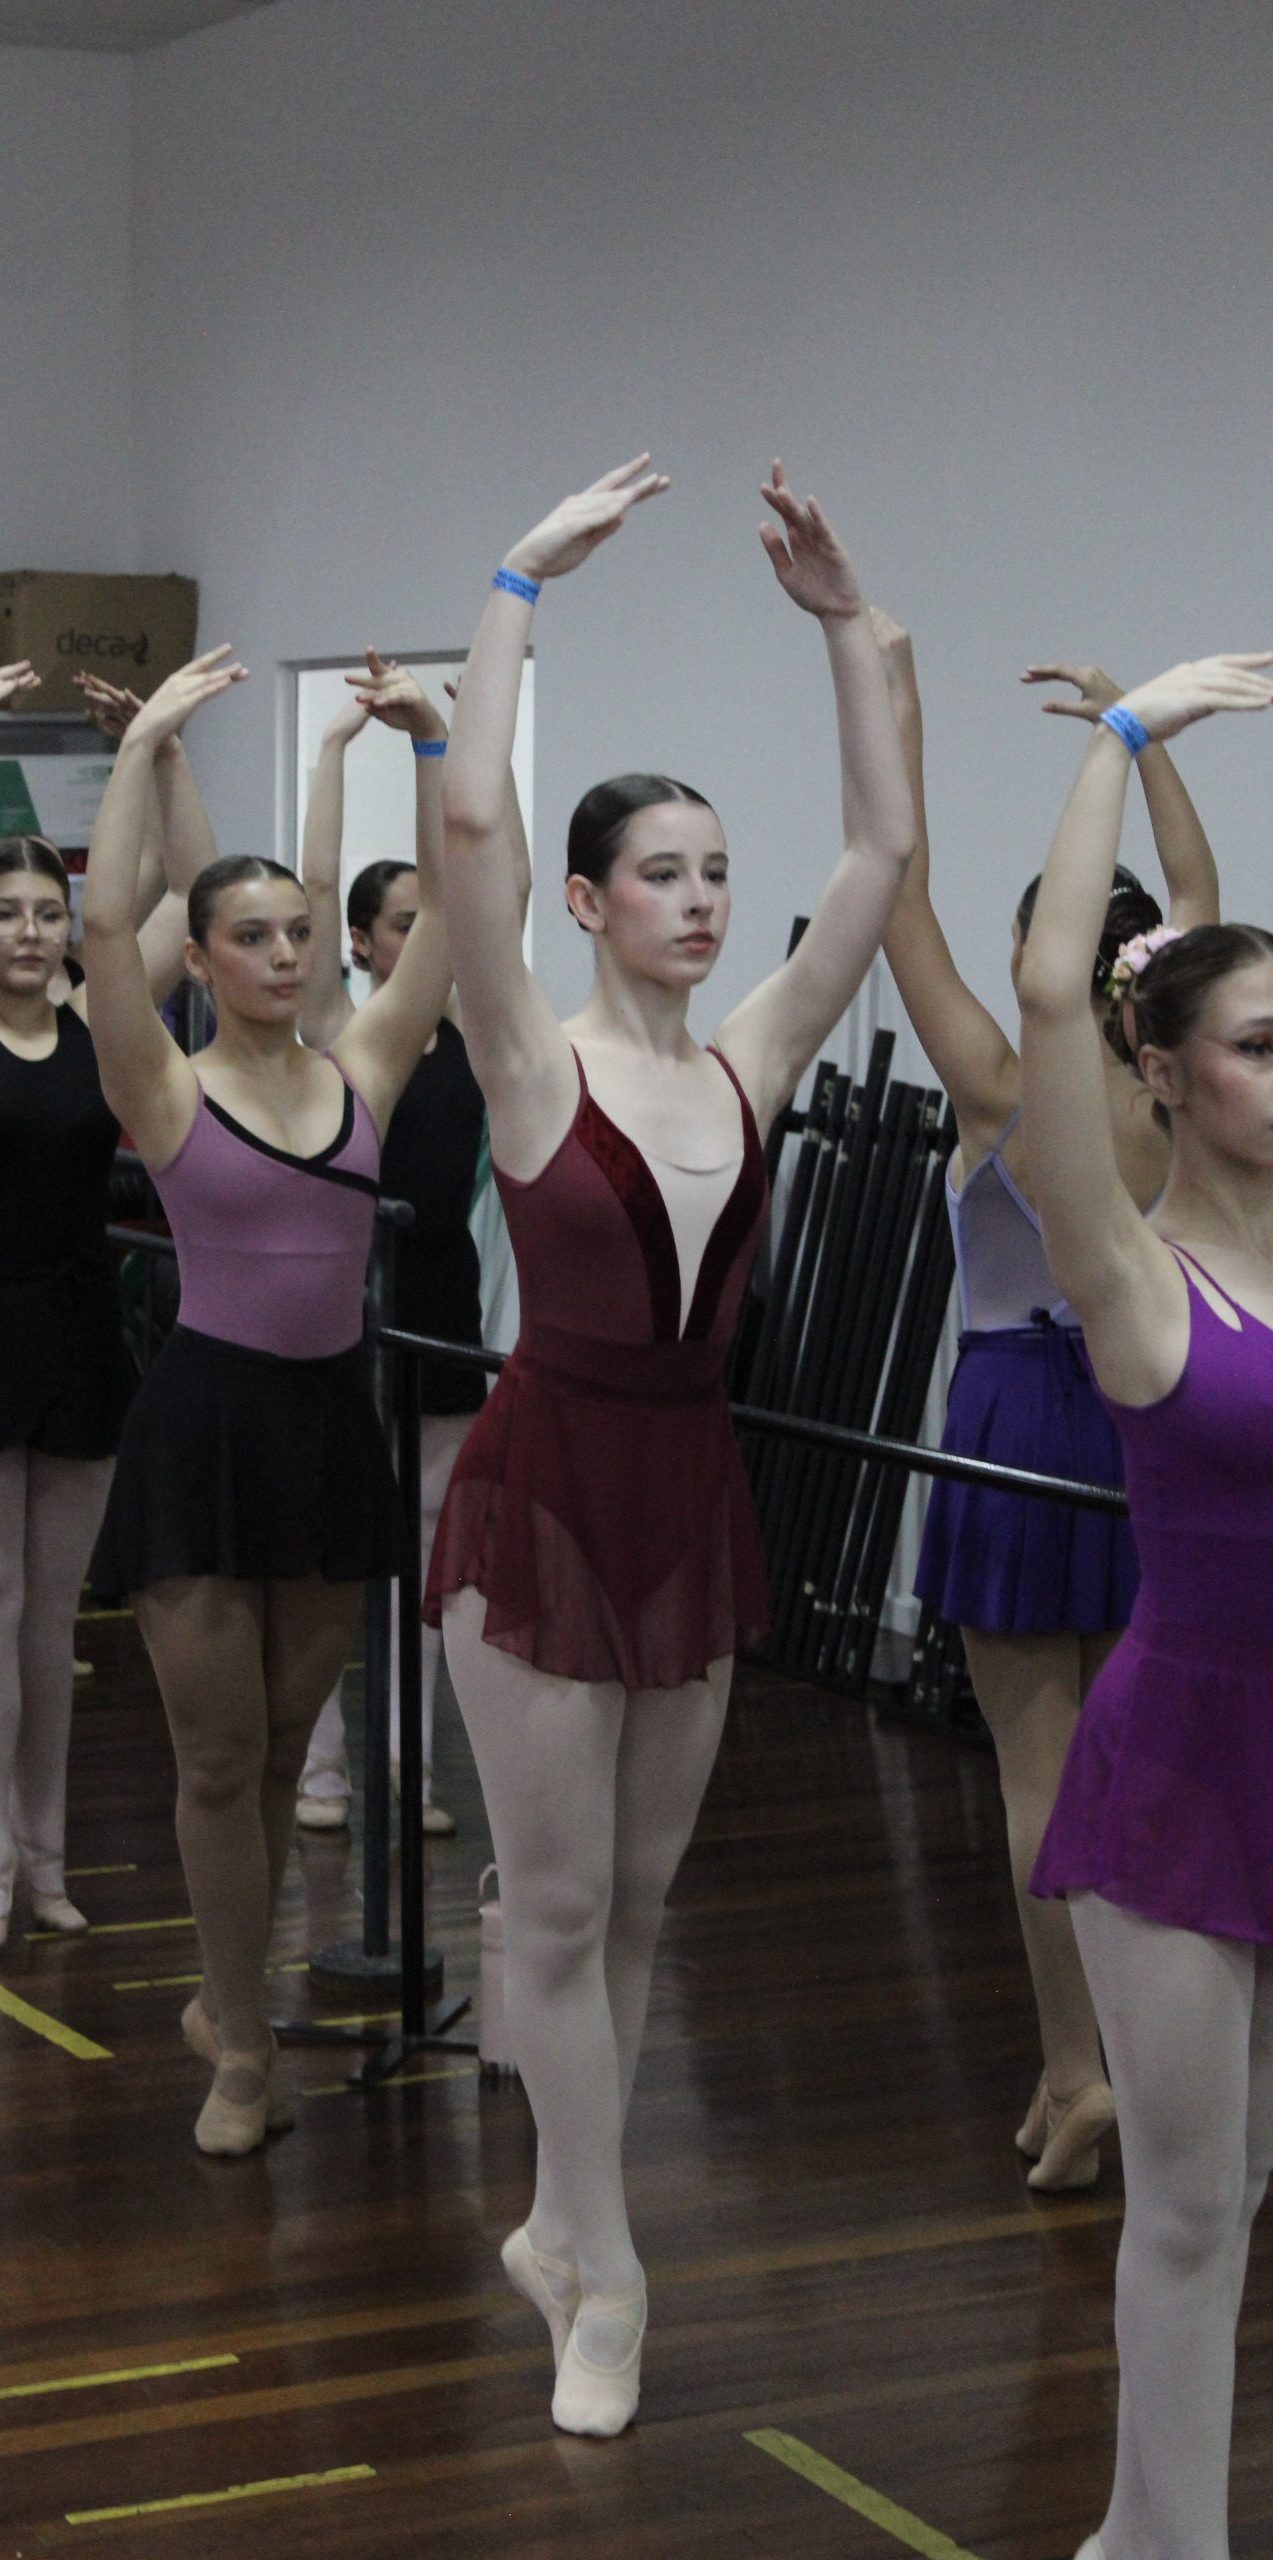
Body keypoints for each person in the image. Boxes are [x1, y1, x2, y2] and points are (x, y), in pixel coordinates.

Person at [427, 456, 915, 2435]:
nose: (701, 899)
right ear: (584, 899)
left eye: (715, 870)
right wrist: (515, 583)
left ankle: (562, 2223)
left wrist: (845, 625)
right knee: (549, 1910)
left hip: (687, 1486)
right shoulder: (525, 1057)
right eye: (661, 871)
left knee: (632, 1911)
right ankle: (610, 2273)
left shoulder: (752, 1053)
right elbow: (469, 816)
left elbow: (879, 854)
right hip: (542, 1486)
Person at [82, 644, 456, 2155]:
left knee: (289, 1749)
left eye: (301, 932)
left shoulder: (365, 1065)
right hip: (203, 1426)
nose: (286, 955)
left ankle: (227, 1992)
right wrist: (146, 751)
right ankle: (241, 2046)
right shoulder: (163, 1084)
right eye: (252, 937)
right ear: (204, 955)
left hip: (323, 1428)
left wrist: (431, 745)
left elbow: (454, 911)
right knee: (220, 1759)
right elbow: (100, 929)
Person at [875, 625, 1221, 2192]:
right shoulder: (1166, 1087)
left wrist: (889, 708)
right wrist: (1139, 742)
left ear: (1043, 953)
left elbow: (895, 898)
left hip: (1016, 1411)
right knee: (1136, 1759)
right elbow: (1195, 898)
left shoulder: (1003, 1081)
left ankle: (1074, 2068)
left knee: (1036, 1767)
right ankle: (1118, 2070)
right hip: (1146, 1412)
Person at [1014, 649, 1273, 2560]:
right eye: (1257, 1041)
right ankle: (1155, 2544)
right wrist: (1119, 740)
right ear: (1165, 1071)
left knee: (1244, 2192)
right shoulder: (1126, 1268)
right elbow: (1051, 989)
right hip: (1180, 1759)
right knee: (1187, 2205)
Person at [0, 659, 204, 1963]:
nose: (29, 931)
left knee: (51, 1622)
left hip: (73, 1328)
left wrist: (162, 751)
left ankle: (48, 1860)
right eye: (4, 912)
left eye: (48, 911)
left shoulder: (99, 1021)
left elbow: (188, 895)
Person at [294, 660, 531, 1838]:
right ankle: (321, 1764)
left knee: (430, 1547)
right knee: (335, 1545)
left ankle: (409, 1765)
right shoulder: (340, 1028)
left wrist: (454, 746)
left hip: (439, 1293)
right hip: (343, 1297)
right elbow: (316, 883)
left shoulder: (475, 1031)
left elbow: (487, 886)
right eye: (394, 924)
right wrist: (336, 752)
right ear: (359, 942)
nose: (418, 931)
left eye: (417, 920)